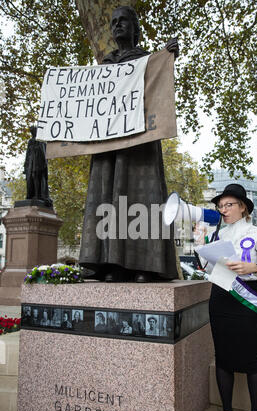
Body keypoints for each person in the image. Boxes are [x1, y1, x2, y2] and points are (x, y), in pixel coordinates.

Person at [79, 6, 179, 283]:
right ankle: (111, 263)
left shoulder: (149, 60)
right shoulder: (104, 66)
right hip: (109, 145)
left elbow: (158, 92)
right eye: (113, 23)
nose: (117, 26)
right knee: (107, 198)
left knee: (142, 199)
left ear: (135, 28)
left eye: (124, 21)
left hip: (140, 143)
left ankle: (145, 265)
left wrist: (167, 58)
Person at [205, 184, 257, 411]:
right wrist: (204, 247)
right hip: (220, 296)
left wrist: (250, 266)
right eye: (220, 206)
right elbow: (208, 265)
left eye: (228, 205)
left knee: (253, 357)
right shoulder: (216, 233)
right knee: (223, 357)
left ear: (243, 206)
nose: (223, 210)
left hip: (247, 297)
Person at [24, 125, 52, 206]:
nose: (32, 133)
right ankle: (32, 195)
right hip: (31, 164)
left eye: (33, 131)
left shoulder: (41, 141)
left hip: (39, 164)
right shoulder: (30, 141)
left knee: (37, 178)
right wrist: (25, 165)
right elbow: (27, 154)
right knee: (30, 179)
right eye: (31, 131)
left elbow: (44, 154)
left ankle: (38, 195)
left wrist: (44, 165)